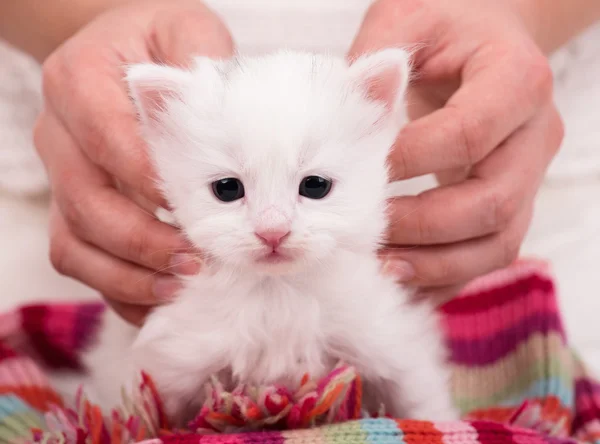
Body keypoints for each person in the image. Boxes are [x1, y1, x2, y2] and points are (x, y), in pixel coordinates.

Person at [0, 0, 598, 325]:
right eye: (229, 188)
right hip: (74, 239)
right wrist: (79, 20)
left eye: (315, 184)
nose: (272, 225)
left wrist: (525, 12)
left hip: (538, 227)